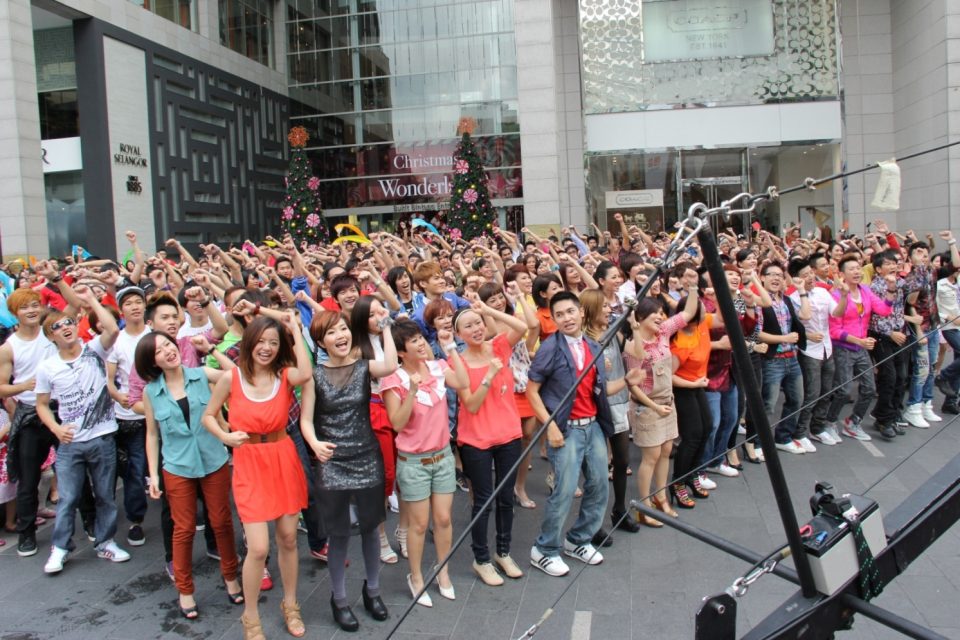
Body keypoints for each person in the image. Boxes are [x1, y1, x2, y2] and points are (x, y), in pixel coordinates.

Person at [201, 313, 313, 640]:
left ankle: (290, 604)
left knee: (289, 538)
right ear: (249, 342)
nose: (267, 348)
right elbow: (208, 416)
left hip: (282, 456)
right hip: (249, 461)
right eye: (261, 341)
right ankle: (250, 616)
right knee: (259, 548)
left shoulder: (284, 375)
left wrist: (294, 329)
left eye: (274, 343)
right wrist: (225, 436)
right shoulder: (231, 378)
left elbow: (306, 373)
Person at [300, 310, 397, 631]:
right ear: (320, 342)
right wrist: (314, 442)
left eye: (343, 329)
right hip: (332, 462)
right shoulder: (314, 376)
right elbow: (305, 419)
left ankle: (373, 591)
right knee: (339, 532)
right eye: (331, 333)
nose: (340, 336)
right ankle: (339, 599)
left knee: (371, 527)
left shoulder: (364, 367)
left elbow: (391, 365)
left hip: (366, 456)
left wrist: (385, 326)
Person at [138, 332, 242, 619]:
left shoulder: (201, 374)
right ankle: (185, 591)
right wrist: (153, 475)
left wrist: (211, 350)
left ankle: (231, 576)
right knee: (183, 529)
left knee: (221, 521)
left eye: (169, 344)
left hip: (213, 459)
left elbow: (236, 375)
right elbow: (151, 434)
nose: (168, 351)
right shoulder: (151, 392)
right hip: (177, 466)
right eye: (159, 351)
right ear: (152, 361)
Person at [527, 291, 625, 577]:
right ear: (554, 319)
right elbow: (532, 392)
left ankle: (579, 539)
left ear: (581, 312)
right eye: (559, 315)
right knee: (565, 490)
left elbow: (597, 388)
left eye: (570, 311)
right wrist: (550, 427)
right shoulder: (549, 348)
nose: (566, 318)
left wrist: (626, 380)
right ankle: (544, 549)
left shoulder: (592, 345)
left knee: (599, 485)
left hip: (592, 425)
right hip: (566, 428)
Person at [34, 286, 129, 573]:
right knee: (67, 498)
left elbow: (112, 328)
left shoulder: (93, 351)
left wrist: (91, 302)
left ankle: (105, 542)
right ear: (50, 336)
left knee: (105, 495)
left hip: (102, 437)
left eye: (68, 322)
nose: (65, 328)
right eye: (57, 326)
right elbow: (41, 405)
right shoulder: (47, 367)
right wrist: (55, 428)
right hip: (70, 442)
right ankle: (60, 547)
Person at [382, 319, 468, 607]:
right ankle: (416, 576)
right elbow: (397, 423)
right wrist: (410, 391)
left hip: (443, 457)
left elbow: (463, 383)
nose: (420, 343)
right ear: (401, 351)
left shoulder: (438, 367)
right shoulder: (393, 380)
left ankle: (443, 571)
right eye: (413, 341)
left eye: (420, 338)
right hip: (414, 462)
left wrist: (450, 348)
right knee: (419, 525)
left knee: (443, 519)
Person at [454, 299, 529, 586]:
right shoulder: (457, 362)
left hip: (508, 434)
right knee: (483, 500)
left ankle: (503, 552)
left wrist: (487, 310)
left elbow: (521, 326)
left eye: (478, 323)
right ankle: (481, 558)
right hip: (476, 440)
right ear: (458, 334)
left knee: (506, 497)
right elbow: (471, 405)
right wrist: (489, 375)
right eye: (468, 326)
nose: (475, 329)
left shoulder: (498, 345)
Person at [626, 292, 697, 513]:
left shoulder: (663, 332)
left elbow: (688, 312)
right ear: (640, 317)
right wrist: (655, 407)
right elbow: (633, 385)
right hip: (648, 407)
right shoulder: (633, 346)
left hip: (667, 402)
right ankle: (645, 504)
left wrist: (693, 286)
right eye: (654, 314)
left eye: (661, 312)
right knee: (651, 456)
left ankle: (661, 496)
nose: (660, 316)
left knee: (666, 451)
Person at [580, 289, 643, 533]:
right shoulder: (583, 339)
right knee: (595, 469)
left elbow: (638, 354)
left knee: (622, 460)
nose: (609, 310)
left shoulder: (614, 332)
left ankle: (619, 509)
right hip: (595, 407)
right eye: (604, 306)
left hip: (618, 402)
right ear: (592, 309)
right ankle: (593, 523)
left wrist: (635, 327)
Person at [826, 255, 896, 440]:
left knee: (869, 388)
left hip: (861, 347)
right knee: (844, 390)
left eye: (858, 268)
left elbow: (884, 310)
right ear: (842, 274)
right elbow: (834, 330)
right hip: (843, 348)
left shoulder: (865, 290)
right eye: (851, 269)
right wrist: (858, 341)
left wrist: (890, 289)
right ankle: (829, 422)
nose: (856, 272)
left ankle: (853, 422)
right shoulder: (835, 295)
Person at [106, 286, 152, 547]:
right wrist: (116, 395)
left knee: (166, 463)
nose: (135, 306)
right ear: (121, 309)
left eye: (138, 301)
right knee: (135, 467)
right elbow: (109, 378)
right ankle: (136, 520)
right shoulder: (116, 341)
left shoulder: (155, 334)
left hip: (159, 410)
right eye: (129, 303)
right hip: (129, 415)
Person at [787, 258, 841, 447]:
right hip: (809, 351)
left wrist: (843, 295)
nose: (810, 277)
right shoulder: (793, 298)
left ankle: (817, 428)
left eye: (811, 272)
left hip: (827, 347)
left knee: (827, 391)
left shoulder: (822, 292)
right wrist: (809, 335)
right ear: (796, 279)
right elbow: (801, 320)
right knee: (811, 394)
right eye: (805, 275)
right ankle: (800, 432)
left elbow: (837, 313)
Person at [757, 262, 809, 454]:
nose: (776, 278)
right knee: (768, 405)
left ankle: (783, 437)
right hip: (772, 360)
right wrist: (783, 338)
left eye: (780, 275)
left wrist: (801, 290)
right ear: (762, 278)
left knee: (797, 400)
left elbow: (806, 315)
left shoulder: (786, 300)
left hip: (792, 358)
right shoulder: (757, 300)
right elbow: (755, 334)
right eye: (772, 274)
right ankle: (757, 443)